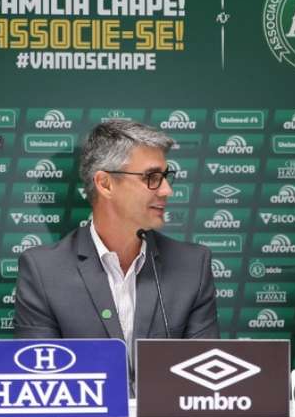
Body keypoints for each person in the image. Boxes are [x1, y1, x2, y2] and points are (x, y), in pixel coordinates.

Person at [14, 120, 219, 357]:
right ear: (105, 184)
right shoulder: (43, 271)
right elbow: (40, 375)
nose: (166, 190)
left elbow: (204, 372)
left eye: (165, 176)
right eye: (151, 177)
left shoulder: (193, 265)